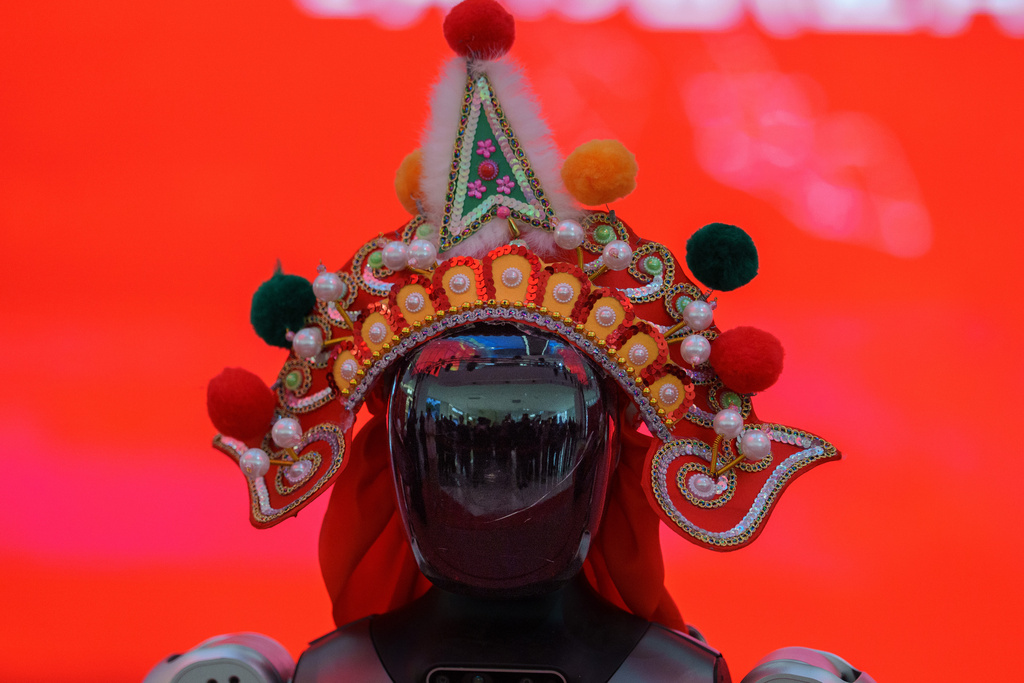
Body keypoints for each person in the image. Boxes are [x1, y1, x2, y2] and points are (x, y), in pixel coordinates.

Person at [146, 2, 875, 681]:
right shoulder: (673, 674)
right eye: (469, 453)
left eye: (527, 449)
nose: (497, 486)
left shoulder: (332, 671)